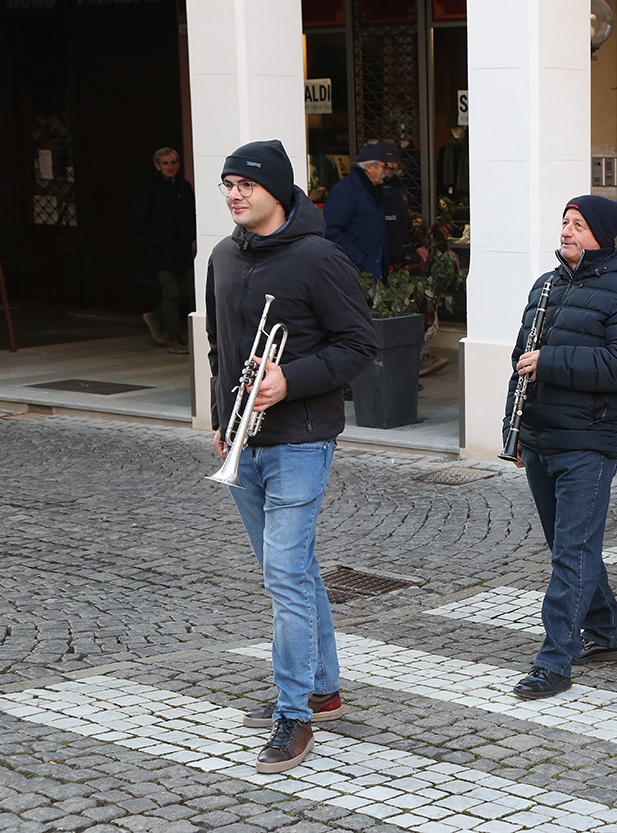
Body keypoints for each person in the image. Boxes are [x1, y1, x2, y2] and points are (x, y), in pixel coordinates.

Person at [206, 139, 377, 773]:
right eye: (227, 184)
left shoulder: (318, 258)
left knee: (283, 574)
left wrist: (290, 380)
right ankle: (323, 690)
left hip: (301, 439)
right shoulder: (222, 257)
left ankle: (293, 715)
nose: (234, 193)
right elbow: (219, 350)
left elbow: (360, 345)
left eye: (245, 184)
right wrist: (225, 422)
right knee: (294, 570)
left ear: (277, 191)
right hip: (243, 442)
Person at [503, 195, 617, 699]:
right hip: (541, 437)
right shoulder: (544, 285)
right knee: (571, 546)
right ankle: (607, 632)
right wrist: (515, 428)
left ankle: (555, 661)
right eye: (565, 222)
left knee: (572, 551)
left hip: (588, 442)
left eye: (580, 225)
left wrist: (551, 360)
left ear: (602, 236)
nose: (567, 231)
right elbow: (520, 359)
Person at [133, 147, 196, 354]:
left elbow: (191, 215)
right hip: (160, 250)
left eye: (173, 162)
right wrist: (157, 239)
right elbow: (139, 219)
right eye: (166, 163)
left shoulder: (184, 186)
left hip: (182, 248)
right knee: (171, 291)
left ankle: (155, 317)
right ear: (158, 166)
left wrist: (192, 238)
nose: (170, 167)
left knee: (187, 290)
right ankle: (173, 337)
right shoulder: (150, 188)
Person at [323, 141, 399, 280]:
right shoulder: (346, 191)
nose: (385, 171)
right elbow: (329, 231)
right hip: (356, 273)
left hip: (375, 272)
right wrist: (357, 260)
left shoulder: (375, 190)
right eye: (383, 166)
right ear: (369, 167)